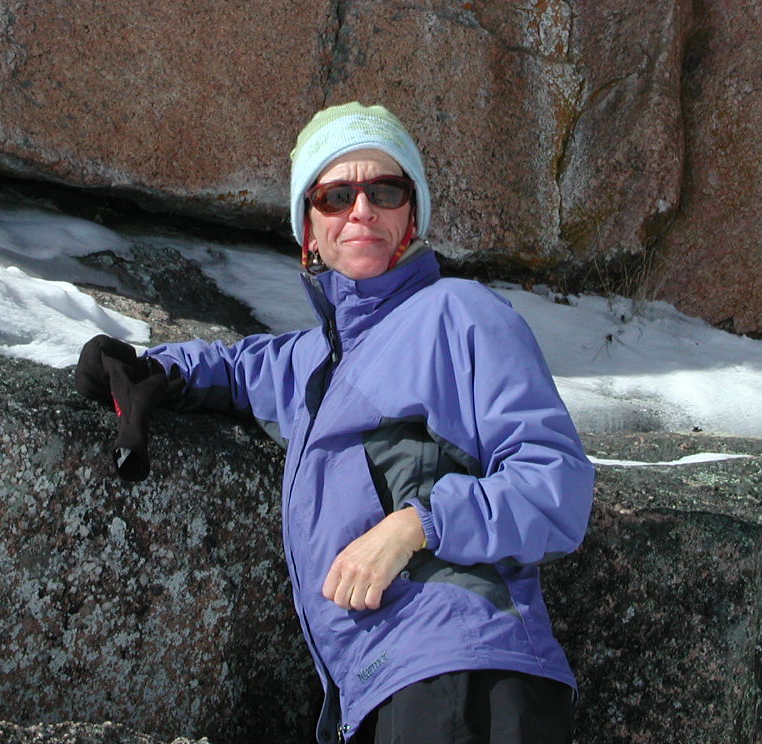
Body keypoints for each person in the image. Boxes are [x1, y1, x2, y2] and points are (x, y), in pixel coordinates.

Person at [76, 102, 595, 744]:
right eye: (335, 196)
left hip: (468, 672)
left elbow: (556, 486)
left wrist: (416, 525)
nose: (362, 210)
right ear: (309, 228)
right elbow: (235, 368)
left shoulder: (460, 314)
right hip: (380, 689)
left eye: (386, 190)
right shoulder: (318, 359)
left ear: (412, 213)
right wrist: (141, 368)